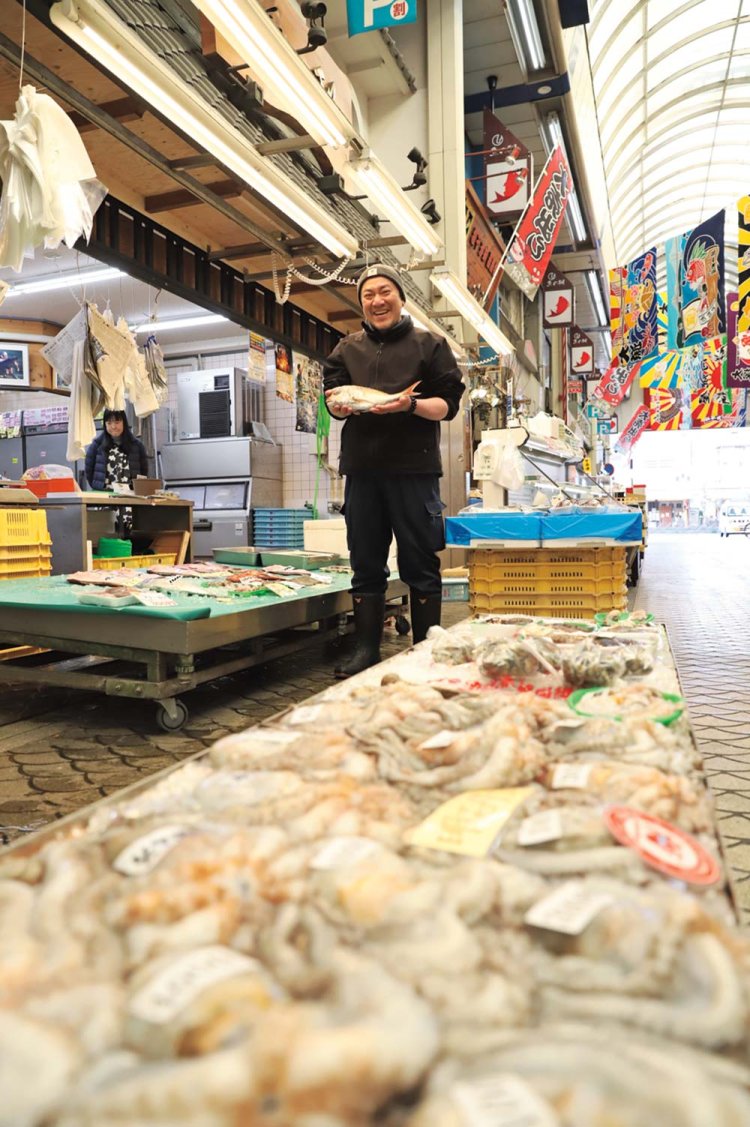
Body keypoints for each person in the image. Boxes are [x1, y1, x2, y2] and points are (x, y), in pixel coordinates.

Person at [323, 263, 465, 677]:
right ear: (362, 303)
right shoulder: (345, 349)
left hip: (414, 471)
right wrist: (339, 406)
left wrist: (411, 405)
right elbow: (333, 404)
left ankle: (427, 652)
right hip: (363, 473)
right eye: (368, 295)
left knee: (421, 562)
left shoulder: (430, 345)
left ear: (400, 297)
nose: (377, 300)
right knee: (365, 562)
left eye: (384, 291)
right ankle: (365, 650)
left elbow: (448, 406)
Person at [84, 409, 148, 490]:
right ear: (105, 424)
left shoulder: (137, 446)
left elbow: (144, 471)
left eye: (117, 422)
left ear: (124, 422)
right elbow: (89, 471)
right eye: (109, 423)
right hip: (104, 495)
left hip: (130, 495)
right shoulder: (96, 445)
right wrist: (98, 486)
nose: (113, 426)